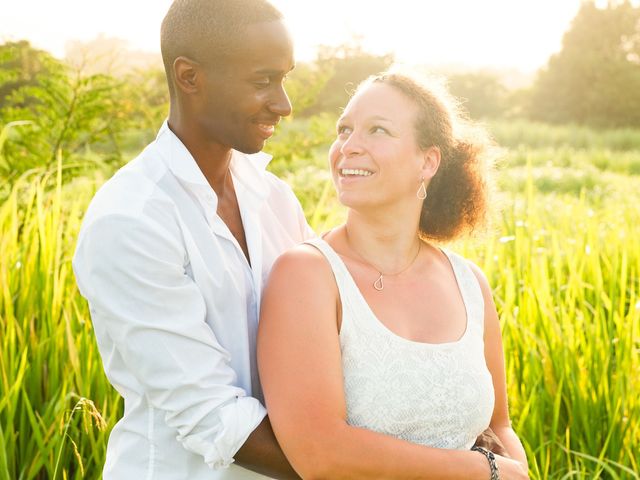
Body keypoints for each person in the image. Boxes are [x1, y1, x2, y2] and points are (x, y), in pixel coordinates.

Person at [72, 0, 313, 478]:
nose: (284, 104)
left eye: (284, 78)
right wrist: (382, 467)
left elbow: (338, 337)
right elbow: (212, 418)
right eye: (262, 81)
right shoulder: (131, 220)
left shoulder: (275, 198)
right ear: (189, 77)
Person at [258, 70, 530, 479]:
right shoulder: (307, 275)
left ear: (428, 162)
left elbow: (498, 426)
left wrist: (516, 472)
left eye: (377, 130)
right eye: (344, 130)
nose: (349, 147)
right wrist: (480, 471)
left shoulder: (469, 283)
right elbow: (319, 454)